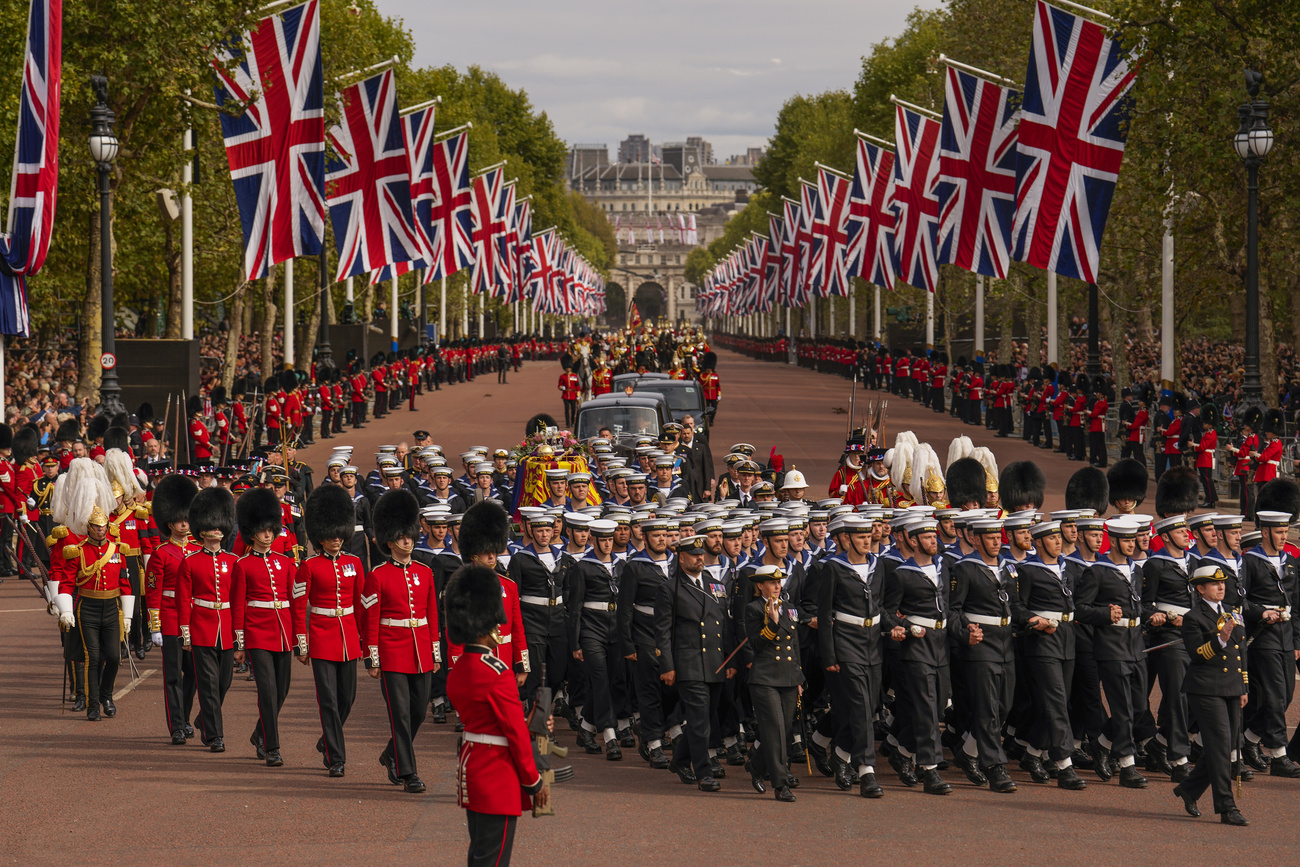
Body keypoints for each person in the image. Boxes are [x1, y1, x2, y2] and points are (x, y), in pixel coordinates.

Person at [444, 563, 547, 867]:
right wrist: (535, 781)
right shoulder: (497, 673)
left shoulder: (460, 669)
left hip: (472, 764)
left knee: (480, 855)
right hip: (496, 774)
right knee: (494, 860)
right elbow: (515, 732)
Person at [364, 489, 440, 793]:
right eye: (401, 537)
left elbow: (432, 615)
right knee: (401, 713)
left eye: (409, 535)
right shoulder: (378, 575)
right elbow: (371, 619)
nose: (407, 541)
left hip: (421, 650)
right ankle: (409, 773)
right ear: (390, 541)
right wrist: (373, 657)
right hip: (392, 651)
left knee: (419, 711)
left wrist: (435, 652)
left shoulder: (425, 572)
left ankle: (390, 754)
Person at [294, 484, 368, 777]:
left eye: (339, 533)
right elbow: (300, 607)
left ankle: (327, 741)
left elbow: (361, 605)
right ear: (320, 536)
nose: (336, 538)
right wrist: (303, 644)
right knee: (328, 700)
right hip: (322, 638)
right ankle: (337, 758)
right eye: (331, 534)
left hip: (349, 637)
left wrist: (365, 641)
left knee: (347, 698)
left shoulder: (354, 563)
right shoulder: (308, 566)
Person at [655, 534, 735, 792]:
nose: (700, 559)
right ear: (681, 557)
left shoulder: (713, 584)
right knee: (699, 718)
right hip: (688, 662)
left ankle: (679, 761)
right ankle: (704, 772)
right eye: (694, 555)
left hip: (715, 662)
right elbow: (663, 631)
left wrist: (730, 657)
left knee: (707, 717)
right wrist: (667, 665)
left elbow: (725, 623)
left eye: (701, 554)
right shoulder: (670, 588)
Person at [1076, 516, 1149, 788]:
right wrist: (1104, 614)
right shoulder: (1097, 571)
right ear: (1115, 541)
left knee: (1140, 708)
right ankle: (1127, 765)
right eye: (1127, 540)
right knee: (1123, 708)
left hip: (1136, 644)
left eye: (1134, 539)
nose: (1132, 544)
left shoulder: (1136, 570)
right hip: (1111, 646)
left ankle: (1102, 744)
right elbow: (1080, 609)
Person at [1174, 564, 1249, 826]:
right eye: (1214, 584)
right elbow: (1196, 654)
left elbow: (1241, 652)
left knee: (1226, 746)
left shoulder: (1232, 613)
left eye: (1223, 583)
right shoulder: (1193, 617)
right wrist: (1220, 639)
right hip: (1205, 688)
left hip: (1231, 686)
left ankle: (1189, 789)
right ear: (1200, 588)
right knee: (1219, 747)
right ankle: (1227, 807)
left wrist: (1244, 686)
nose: (1221, 587)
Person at [232, 487, 296, 767]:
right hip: (257, 633)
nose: (268, 535)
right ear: (252, 532)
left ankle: (260, 732)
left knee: (282, 691)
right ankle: (272, 747)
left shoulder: (285, 563)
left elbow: (294, 601)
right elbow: (238, 606)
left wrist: (298, 637)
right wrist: (240, 643)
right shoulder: (242, 565)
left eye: (271, 529)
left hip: (282, 632)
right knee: (267, 691)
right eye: (262, 530)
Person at [177, 487, 239, 752]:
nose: (217, 530)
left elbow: (237, 600)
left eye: (219, 526)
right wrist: (186, 633)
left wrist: (239, 633)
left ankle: (204, 718)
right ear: (202, 531)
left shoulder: (234, 561)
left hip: (225, 627)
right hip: (201, 626)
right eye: (212, 526)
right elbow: (183, 599)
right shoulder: (190, 562)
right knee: (209, 685)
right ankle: (214, 736)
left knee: (224, 682)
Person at [145, 474, 200, 743]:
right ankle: (176, 726)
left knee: (193, 673)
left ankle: (186, 716)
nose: (185, 523)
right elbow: (153, 590)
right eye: (180, 520)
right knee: (173, 676)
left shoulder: (199, 550)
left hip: (196, 618)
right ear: (169, 523)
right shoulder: (161, 553)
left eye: (187, 518)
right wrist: (154, 625)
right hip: (169, 618)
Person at [743, 564, 803, 802]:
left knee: (784, 731)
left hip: (788, 677)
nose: (777, 586)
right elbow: (756, 644)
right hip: (765, 678)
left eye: (779, 582)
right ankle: (780, 783)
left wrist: (799, 678)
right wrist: (772, 622)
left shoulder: (789, 607)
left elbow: (794, 645)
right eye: (772, 582)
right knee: (775, 729)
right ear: (760, 586)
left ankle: (756, 765)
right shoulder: (753, 609)